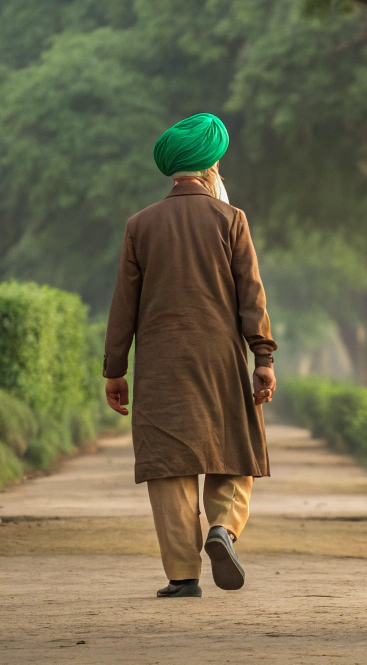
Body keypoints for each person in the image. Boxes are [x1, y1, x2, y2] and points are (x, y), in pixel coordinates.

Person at [102, 112, 277, 598]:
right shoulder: (231, 219)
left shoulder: (141, 225)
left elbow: (124, 306)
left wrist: (115, 370)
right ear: (211, 164)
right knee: (232, 452)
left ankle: (182, 577)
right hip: (220, 357)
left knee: (170, 465)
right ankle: (223, 527)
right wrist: (262, 358)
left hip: (160, 363)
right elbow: (252, 297)